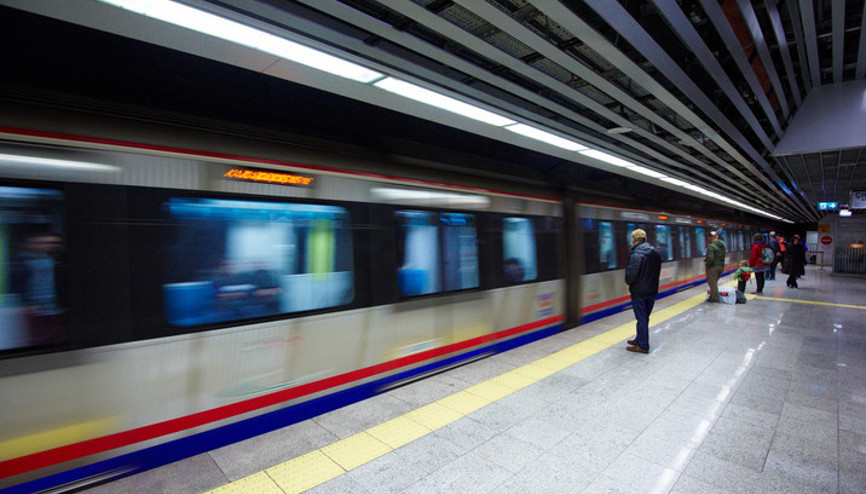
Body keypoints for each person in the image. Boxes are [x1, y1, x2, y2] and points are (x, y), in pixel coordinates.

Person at [624, 229, 662, 354]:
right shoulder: (654, 253)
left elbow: (631, 275)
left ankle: (643, 345)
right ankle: (639, 339)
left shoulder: (636, 254)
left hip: (639, 292)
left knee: (641, 318)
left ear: (634, 239)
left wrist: (628, 280)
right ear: (644, 238)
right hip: (652, 290)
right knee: (645, 317)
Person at [704, 230, 727, 302]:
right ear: (717, 237)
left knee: (712, 283)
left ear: (710, 238)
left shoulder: (711, 247)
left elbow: (710, 258)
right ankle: (714, 296)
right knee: (714, 282)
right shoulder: (723, 245)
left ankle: (714, 298)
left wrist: (707, 265)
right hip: (721, 266)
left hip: (713, 267)